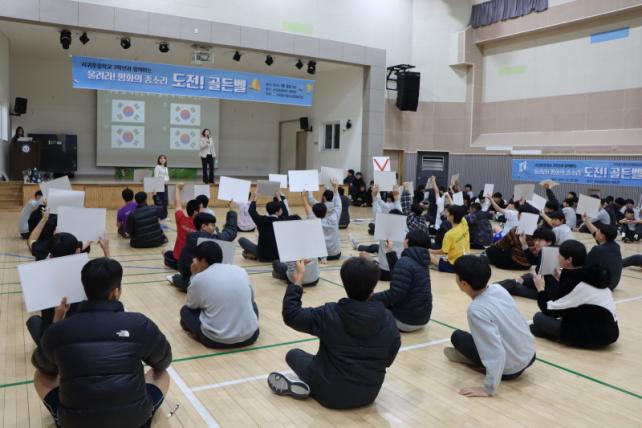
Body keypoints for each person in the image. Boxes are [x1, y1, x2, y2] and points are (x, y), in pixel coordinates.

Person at [31, 257, 172, 428]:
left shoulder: (59, 329)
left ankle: (60, 419)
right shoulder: (139, 323)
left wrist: (56, 324)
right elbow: (163, 361)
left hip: (76, 424)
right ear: (115, 292)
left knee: (40, 375)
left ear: (85, 290)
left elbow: (42, 365)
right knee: (162, 373)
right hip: (133, 423)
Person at [267, 258, 400, 408]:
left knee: (293, 354)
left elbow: (291, 315)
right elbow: (389, 357)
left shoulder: (330, 313)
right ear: (373, 286)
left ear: (344, 282)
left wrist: (298, 280)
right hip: (368, 395)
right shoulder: (388, 318)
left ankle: (310, 385)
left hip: (328, 394)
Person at [444, 255, 536, 397]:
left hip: (511, 370)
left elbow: (494, 351)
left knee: (457, 336)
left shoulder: (476, 310)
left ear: (464, 284)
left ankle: (468, 359)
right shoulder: (498, 289)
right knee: (477, 337)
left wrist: (488, 389)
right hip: (530, 355)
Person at [531, 241, 618, 349]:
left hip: (594, 335)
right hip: (609, 329)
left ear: (569, 260)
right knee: (540, 326)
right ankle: (548, 332)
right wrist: (561, 279)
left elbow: (549, 309)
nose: (557, 257)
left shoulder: (575, 284)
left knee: (538, 317)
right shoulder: (591, 274)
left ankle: (555, 335)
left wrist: (540, 289)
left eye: (560, 255)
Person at [180, 241, 259, 348]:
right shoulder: (240, 270)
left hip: (216, 340)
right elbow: (251, 300)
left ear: (203, 261)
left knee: (185, 311)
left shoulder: (200, 278)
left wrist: (194, 275)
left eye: (196, 260)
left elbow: (191, 305)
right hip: (250, 336)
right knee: (252, 305)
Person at [371, 230, 432, 332]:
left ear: (407, 241)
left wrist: (372, 298)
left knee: (370, 307)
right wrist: (390, 252)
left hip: (405, 321)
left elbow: (395, 294)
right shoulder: (422, 263)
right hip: (422, 319)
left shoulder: (405, 262)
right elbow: (400, 277)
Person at [171, 210, 238, 291]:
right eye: (212, 225)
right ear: (203, 226)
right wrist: (232, 212)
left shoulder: (191, 239)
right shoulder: (209, 239)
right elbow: (230, 232)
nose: (214, 228)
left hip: (189, 276)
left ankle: (179, 280)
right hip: (203, 282)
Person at [498, 228, 557, 299]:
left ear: (549, 242)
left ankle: (492, 288)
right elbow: (533, 261)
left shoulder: (549, 254)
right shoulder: (550, 251)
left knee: (513, 285)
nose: (536, 243)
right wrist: (524, 243)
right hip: (544, 284)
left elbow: (546, 281)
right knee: (525, 277)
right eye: (535, 240)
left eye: (540, 240)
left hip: (546, 293)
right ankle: (495, 287)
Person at [239, 192, 289, 262]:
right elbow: (286, 213)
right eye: (280, 209)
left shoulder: (261, 220)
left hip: (263, 255)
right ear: (278, 212)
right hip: (278, 255)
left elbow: (251, 211)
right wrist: (279, 198)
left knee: (241, 240)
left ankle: (253, 255)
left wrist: (255, 199)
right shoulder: (282, 221)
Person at [163, 184, 200, 270]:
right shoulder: (202, 226)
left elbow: (178, 204)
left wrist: (177, 188)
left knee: (164, 252)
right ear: (195, 212)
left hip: (178, 260)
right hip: (193, 263)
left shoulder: (181, 219)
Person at [581, 215, 622, 290]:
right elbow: (596, 234)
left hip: (601, 286)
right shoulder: (616, 246)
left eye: (598, 231)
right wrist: (587, 221)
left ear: (602, 236)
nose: (596, 232)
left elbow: (584, 267)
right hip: (613, 284)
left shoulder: (597, 250)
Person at [305, 180, 342, 260]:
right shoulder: (334, 217)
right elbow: (338, 205)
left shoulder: (315, 219)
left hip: (321, 255)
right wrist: (335, 187)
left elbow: (311, 201)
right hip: (336, 254)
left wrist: (307, 191)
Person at [429, 205, 470, 273]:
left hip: (454, 266)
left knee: (427, 254)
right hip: (467, 261)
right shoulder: (464, 223)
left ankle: (440, 267)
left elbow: (443, 251)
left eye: (447, 212)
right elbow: (458, 211)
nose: (446, 213)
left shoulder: (449, 234)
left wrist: (430, 251)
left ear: (452, 216)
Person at [153, 154, 170, 219]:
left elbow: (167, 177)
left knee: (165, 201)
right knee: (160, 202)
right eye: (161, 158)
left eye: (164, 158)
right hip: (159, 186)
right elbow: (156, 178)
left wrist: (167, 181)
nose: (162, 159)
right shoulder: (157, 167)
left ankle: (165, 216)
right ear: (159, 160)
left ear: (166, 160)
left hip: (165, 186)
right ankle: (161, 216)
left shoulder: (166, 168)